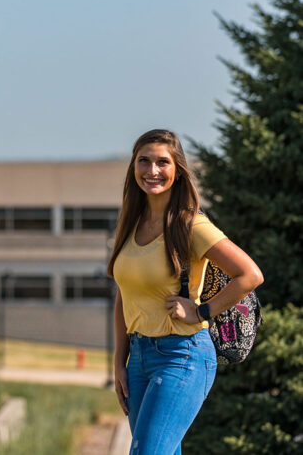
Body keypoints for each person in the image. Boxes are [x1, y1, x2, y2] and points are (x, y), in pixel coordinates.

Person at [107, 129, 263, 455]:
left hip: (182, 355)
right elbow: (125, 294)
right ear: (133, 167)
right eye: (144, 161)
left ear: (177, 169)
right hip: (139, 360)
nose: (152, 171)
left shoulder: (190, 225)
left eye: (162, 162)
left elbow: (249, 275)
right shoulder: (131, 223)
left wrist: (201, 311)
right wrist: (119, 361)